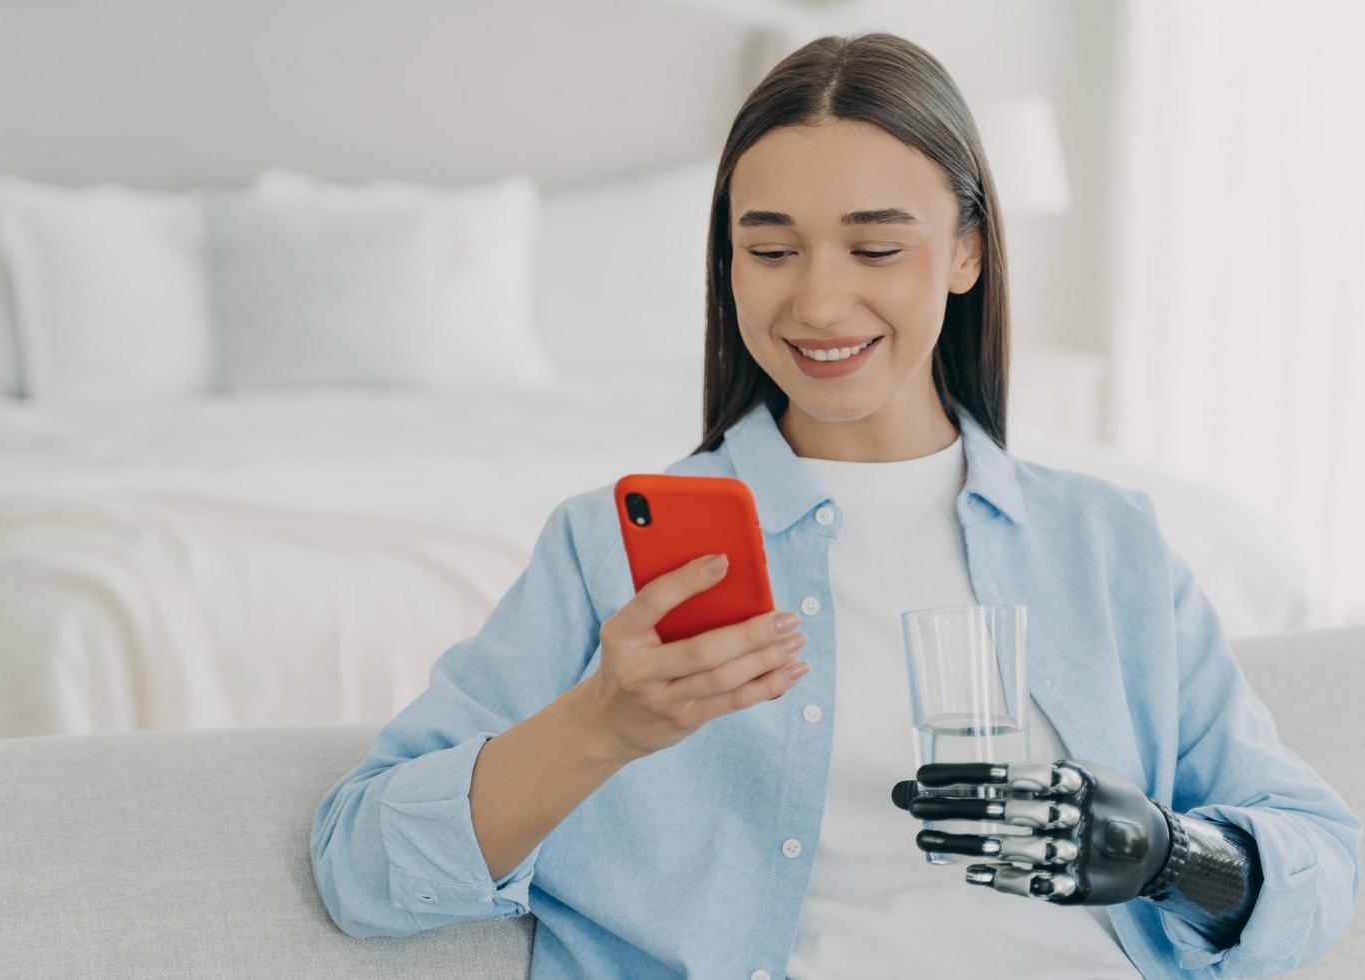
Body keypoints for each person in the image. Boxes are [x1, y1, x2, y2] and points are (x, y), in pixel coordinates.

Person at [310, 32, 1360, 979]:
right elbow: (362, 865)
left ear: (966, 251)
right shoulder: (603, 550)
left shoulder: (1106, 541)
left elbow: (1324, 856)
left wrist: (1174, 854)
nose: (814, 302)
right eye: (770, 249)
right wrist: (602, 723)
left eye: (874, 247)